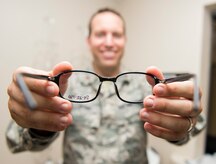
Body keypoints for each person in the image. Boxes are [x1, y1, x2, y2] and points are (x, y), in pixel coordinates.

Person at [6, 7, 205, 164]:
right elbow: (14, 142)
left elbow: (192, 128)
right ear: (89, 40)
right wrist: (40, 127)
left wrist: (183, 125)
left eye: (116, 35)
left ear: (124, 40)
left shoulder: (146, 86)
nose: (109, 42)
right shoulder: (66, 86)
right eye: (101, 34)